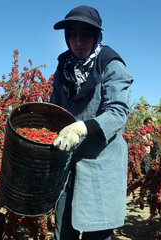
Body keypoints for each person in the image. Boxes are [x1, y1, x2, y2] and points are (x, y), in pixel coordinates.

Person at [49, 5, 133, 240]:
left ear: (97, 36)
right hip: (69, 161)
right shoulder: (63, 66)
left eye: (85, 34)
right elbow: (54, 109)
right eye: (72, 34)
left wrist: (81, 127)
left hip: (100, 161)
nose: (78, 41)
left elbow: (117, 112)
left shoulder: (110, 63)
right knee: (63, 228)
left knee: (98, 232)